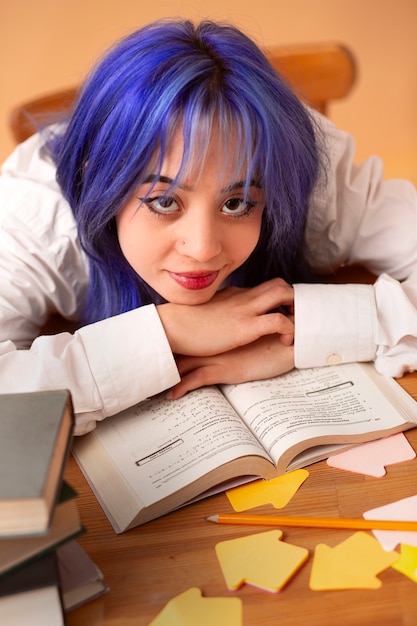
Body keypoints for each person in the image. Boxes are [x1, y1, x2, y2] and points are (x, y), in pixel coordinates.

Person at [0, 18, 416, 435]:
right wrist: (166, 333)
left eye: (236, 203)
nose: (202, 248)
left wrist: (303, 330)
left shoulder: (298, 174)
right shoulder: (36, 214)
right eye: (164, 202)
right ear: (101, 184)